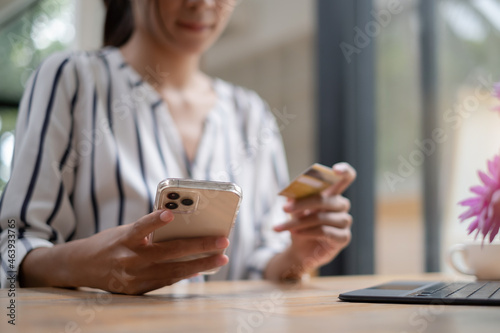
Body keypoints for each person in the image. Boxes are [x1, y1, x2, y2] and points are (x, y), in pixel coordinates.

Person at [0, 0, 356, 295]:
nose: (203, 4)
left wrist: (300, 253)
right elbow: (12, 247)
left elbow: (262, 269)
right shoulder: (72, 79)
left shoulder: (251, 114)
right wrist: (80, 266)